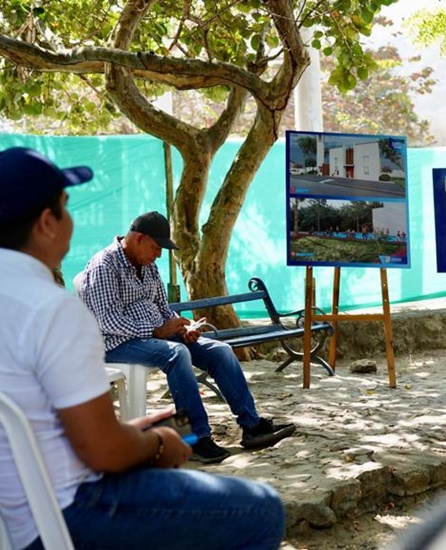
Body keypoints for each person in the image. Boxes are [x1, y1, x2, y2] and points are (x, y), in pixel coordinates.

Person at [0, 147, 285, 550]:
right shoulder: (55, 304)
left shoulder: (27, 298)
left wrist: (178, 326)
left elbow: (63, 427)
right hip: (63, 510)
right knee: (262, 510)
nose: (71, 221)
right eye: (66, 208)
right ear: (47, 223)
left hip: (17, 507)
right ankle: (195, 438)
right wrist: (156, 444)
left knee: (214, 350)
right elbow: (103, 450)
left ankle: (251, 425)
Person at [79, 211, 295, 463]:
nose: (159, 254)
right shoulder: (103, 265)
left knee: (220, 351)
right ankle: (195, 438)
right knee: (177, 353)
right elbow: (106, 320)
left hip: (156, 337)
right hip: (116, 344)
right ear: (139, 238)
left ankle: (252, 426)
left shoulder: (148, 266)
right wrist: (156, 331)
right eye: (156, 247)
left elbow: (161, 307)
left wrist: (184, 327)